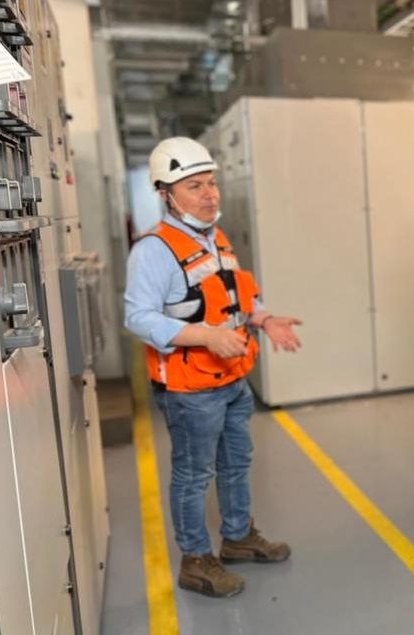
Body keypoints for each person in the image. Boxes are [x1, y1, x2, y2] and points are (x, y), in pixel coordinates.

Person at [124, 137, 303, 598]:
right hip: (190, 389)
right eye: (194, 187)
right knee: (193, 474)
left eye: (211, 184)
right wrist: (206, 336)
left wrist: (263, 318)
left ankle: (239, 538)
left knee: (236, 463)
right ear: (166, 194)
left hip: (233, 379)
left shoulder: (214, 237)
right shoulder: (154, 250)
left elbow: (237, 296)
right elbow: (138, 317)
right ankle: (197, 561)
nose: (210, 195)